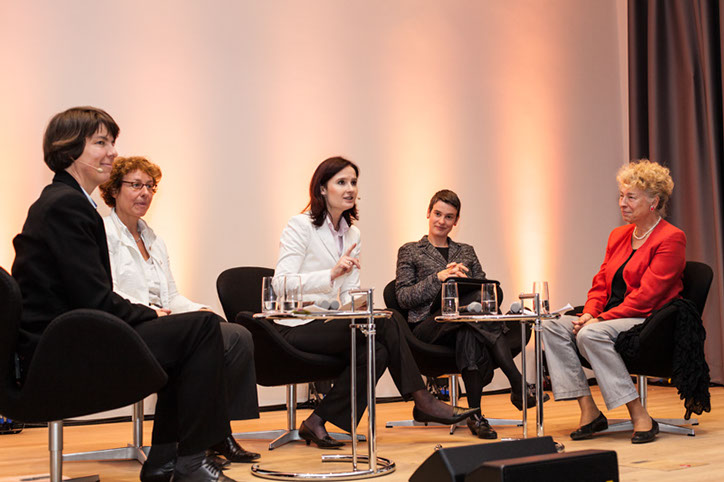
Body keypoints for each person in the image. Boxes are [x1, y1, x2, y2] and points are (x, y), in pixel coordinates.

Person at [12, 107, 238, 481]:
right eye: (101, 142)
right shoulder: (65, 205)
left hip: (65, 340)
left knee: (191, 333)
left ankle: (167, 462)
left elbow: (90, 296)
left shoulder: (64, 201)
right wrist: (152, 314)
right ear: (70, 149)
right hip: (58, 352)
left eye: (112, 143)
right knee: (199, 329)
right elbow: (95, 299)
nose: (112, 152)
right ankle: (188, 462)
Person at [242, 156, 477, 449]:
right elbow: (281, 284)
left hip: (328, 322)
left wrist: (360, 305)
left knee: (378, 349)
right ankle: (423, 400)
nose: (350, 188)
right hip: (295, 325)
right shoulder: (300, 225)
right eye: (341, 182)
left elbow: (348, 293)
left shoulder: (353, 233)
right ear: (322, 189)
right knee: (388, 322)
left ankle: (316, 421)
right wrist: (330, 274)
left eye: (353, 182)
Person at [97, 156, 260, 477]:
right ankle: (204, 442)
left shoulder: (154, 240)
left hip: (164, 320)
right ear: (114, 190)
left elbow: (171, 295)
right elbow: (109, 292)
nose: (144, 193)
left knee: (236, 335)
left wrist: (199, 309)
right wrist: (154, 313)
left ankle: (216, 432)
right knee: (206, 339)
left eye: (150, 187)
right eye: (136, 185)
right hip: (131, 324)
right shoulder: (103, 234)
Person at [541, 159, 686, 444]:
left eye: (631, 197)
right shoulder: (618, 236)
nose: (622, 203)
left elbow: (648, 295)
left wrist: (599, 320)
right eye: (621, 196)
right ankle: (589, 410)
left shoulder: (672, 238)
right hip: (611, 318)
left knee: (590, 334)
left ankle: (639, 414)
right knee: (551, 326)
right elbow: (601, 284)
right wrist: (589, 313)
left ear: (654, 202)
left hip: (650, 321)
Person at [395, 189, 547, 439]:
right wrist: (439, 277)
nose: (442, 221)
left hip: (465, 324)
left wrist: (466, 282)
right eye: (437, 214)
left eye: (449, 217)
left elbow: (486, 294)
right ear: (428, 213)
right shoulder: (410, 250)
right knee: (470, 318)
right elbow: (403, 296)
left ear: (456, 221)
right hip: (428, 326)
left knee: (468, 327)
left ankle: (475, 415)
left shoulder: (466, 251)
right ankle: (517, 381)